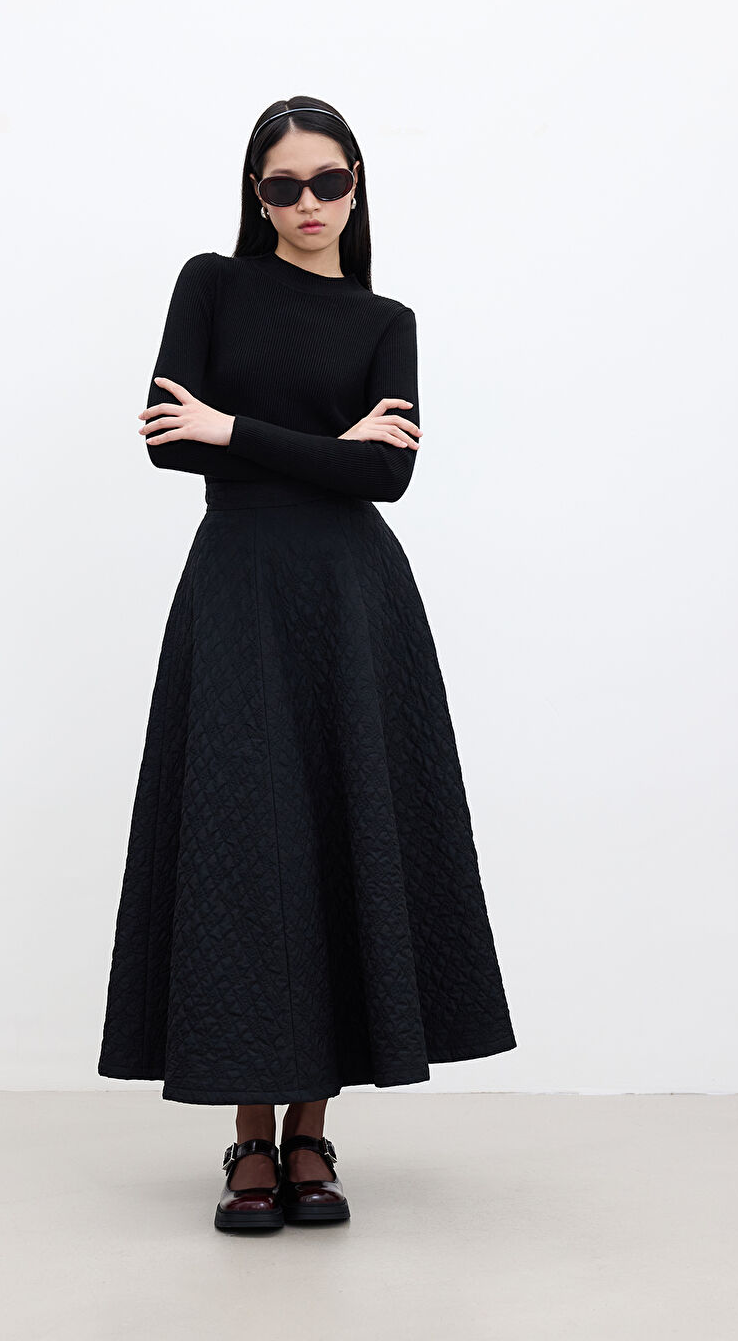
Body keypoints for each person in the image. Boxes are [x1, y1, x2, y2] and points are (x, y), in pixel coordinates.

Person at [97, 97, 517, 1232]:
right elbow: (168, 438)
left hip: (350, 600)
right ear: (257, 195)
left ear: (357, 182)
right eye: (283, 186)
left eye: (328, 181)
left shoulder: (386, 321)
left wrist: (236, 431)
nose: (308, 204)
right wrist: (311, 447)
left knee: (339, 833)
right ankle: (248, 1133)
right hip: (237, 591)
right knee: (243, 844)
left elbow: (387, 480)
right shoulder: (211, 285)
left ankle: (311, 1133)